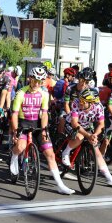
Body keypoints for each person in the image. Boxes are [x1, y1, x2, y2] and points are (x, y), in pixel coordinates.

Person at [10, 66, 75, 195]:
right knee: (21, 146)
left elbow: (45, 114)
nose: (36, 84)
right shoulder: (21, 93)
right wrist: (15, 131)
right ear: (30, 79)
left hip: (38, 124)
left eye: (40, 82)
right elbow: (14, 115)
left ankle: (60, 185)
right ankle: (14, 157)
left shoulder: (44, 94)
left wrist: (44, 130)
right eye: (34, 81)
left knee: (50, 154)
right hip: (23, 123)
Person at [61, 89, 112, 188]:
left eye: (83, 101)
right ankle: (66, 152)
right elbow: (74, 123)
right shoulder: (76, 103)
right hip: (71, 124)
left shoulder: (98, 107)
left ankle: (110, 179)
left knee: (97, 152)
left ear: (91, 103)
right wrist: (88, 135)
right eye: (80, 100)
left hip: (86, 127)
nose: (80, 103)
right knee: (80, 137)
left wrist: (95, 134)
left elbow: (101, 124)